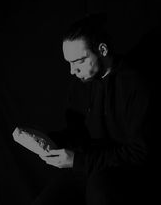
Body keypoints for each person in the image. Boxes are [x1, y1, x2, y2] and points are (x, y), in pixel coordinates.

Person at [32, 13, 153, 205]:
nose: (72, 71)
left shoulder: (135, 85)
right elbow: (77, 134)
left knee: (100, 194)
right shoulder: (79, 85)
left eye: (78, 61)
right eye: (68, 63)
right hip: (88, 168)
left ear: (102, 50)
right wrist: (48, 141)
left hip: (124, 172)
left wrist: (78, 161)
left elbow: (140, 152)